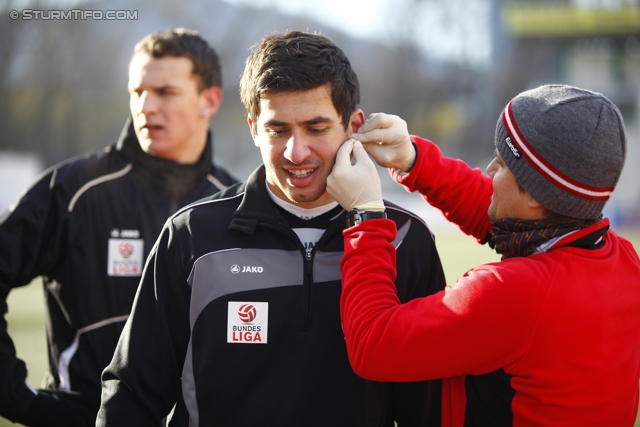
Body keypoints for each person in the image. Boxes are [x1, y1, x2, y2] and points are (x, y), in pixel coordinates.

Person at [97, 30, 446, 426]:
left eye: (316, 129)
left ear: (353, 125)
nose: (296, 152)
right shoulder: (192, 236)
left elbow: (429, 407)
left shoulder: (405, 241)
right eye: (278, 130)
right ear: (253, 128)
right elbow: (131, 396)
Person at [327, 84, 640, 426]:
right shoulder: (623, 261)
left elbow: (373, 344)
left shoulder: (516, 294)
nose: (490, 170)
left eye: (503, 164)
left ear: (535, 195)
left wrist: (366, 215)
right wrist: (414, 159)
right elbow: (499, 215)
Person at [0, 28, 237, 426]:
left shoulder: (232, 204)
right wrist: (18, 399)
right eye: (137, 91)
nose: (145, 106)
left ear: (209, 100)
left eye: (165, 92)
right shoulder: (74, 191)